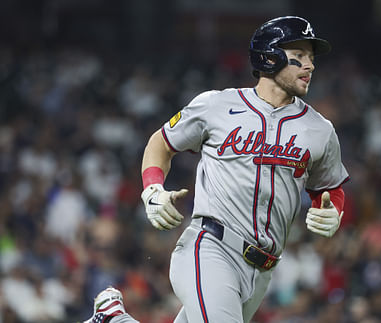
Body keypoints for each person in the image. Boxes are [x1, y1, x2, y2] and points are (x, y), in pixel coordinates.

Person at [85, 15, 349, 323]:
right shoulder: (218, 106)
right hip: (212, 249)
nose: (310, 66)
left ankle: (113, 319)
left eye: (311, 58)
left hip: (263, 270)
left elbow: (329, 187)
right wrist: (153, 188)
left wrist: (334, 211)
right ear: (269, 55)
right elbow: (161, 143)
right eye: (300, 55)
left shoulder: (320, 129)